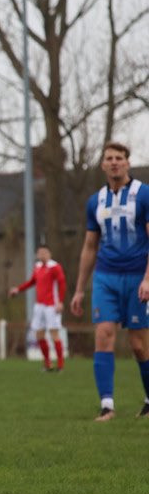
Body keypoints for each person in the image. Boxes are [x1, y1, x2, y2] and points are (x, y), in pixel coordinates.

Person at [70, 141, 149, 421]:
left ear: (127, 162)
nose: (114, 162)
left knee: (139, 344)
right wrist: (80, 289)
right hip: (105, 277)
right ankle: (107, 406)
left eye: (119, 158)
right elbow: (90, 246)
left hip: (138, 276)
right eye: (109, 158)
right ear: (102, 164)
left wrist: (148, 279)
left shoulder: (144, 195)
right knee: (103, 335)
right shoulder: (96, 201)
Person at [11, 245, 67, 372]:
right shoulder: (37, 267)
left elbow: (62, 284)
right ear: (37, 255)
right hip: (39, 305)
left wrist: (61, 302)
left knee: (54, 334)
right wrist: (18, 289)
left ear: (49, 254)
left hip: (52, 305)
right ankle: (47, 364)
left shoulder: (55, 267)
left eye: (44, 252)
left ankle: (60, 365)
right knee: (39, 335)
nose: (42, 255)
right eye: (40, 253)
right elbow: (32, 282)